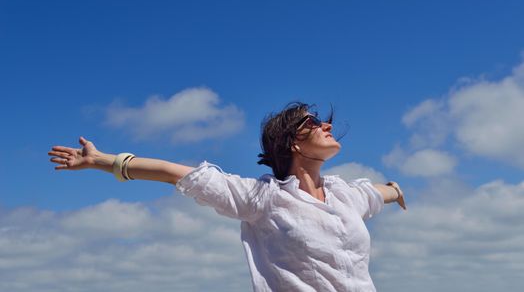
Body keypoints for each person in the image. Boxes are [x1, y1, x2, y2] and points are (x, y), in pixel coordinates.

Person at [48, 102, 406, 292]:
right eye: (313, 122)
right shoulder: (262, 198)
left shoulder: (346, 195)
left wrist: (395, 190)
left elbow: (377, 193)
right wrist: (102, 161)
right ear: (292, 143)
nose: (326, 125)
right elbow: (175, 173)